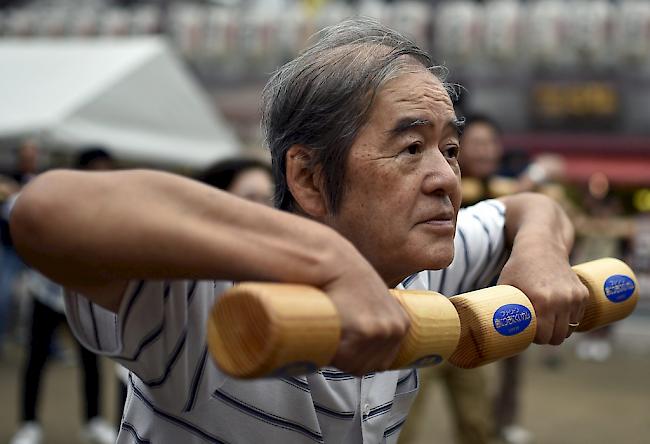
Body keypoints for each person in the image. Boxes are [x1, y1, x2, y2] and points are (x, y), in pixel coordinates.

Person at [10, 19, 587, 444]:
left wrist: (539, 250)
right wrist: (331, 265)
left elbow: (532, 207)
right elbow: (46, 210)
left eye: (451, 149)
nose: (447, 178)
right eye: (411, 148)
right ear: (308, 178)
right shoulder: (214, 299)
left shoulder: (423, 259)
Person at [9, 148, 117, 444]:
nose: (102, 176)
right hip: (47, 291)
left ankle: (93, 421)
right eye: (96, 169)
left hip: (87, 295)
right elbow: (20, 212)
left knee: (91, 359)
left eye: (107, 169)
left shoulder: (114, 206)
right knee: (36, 359)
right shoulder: (61, 196)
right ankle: (29, 423)